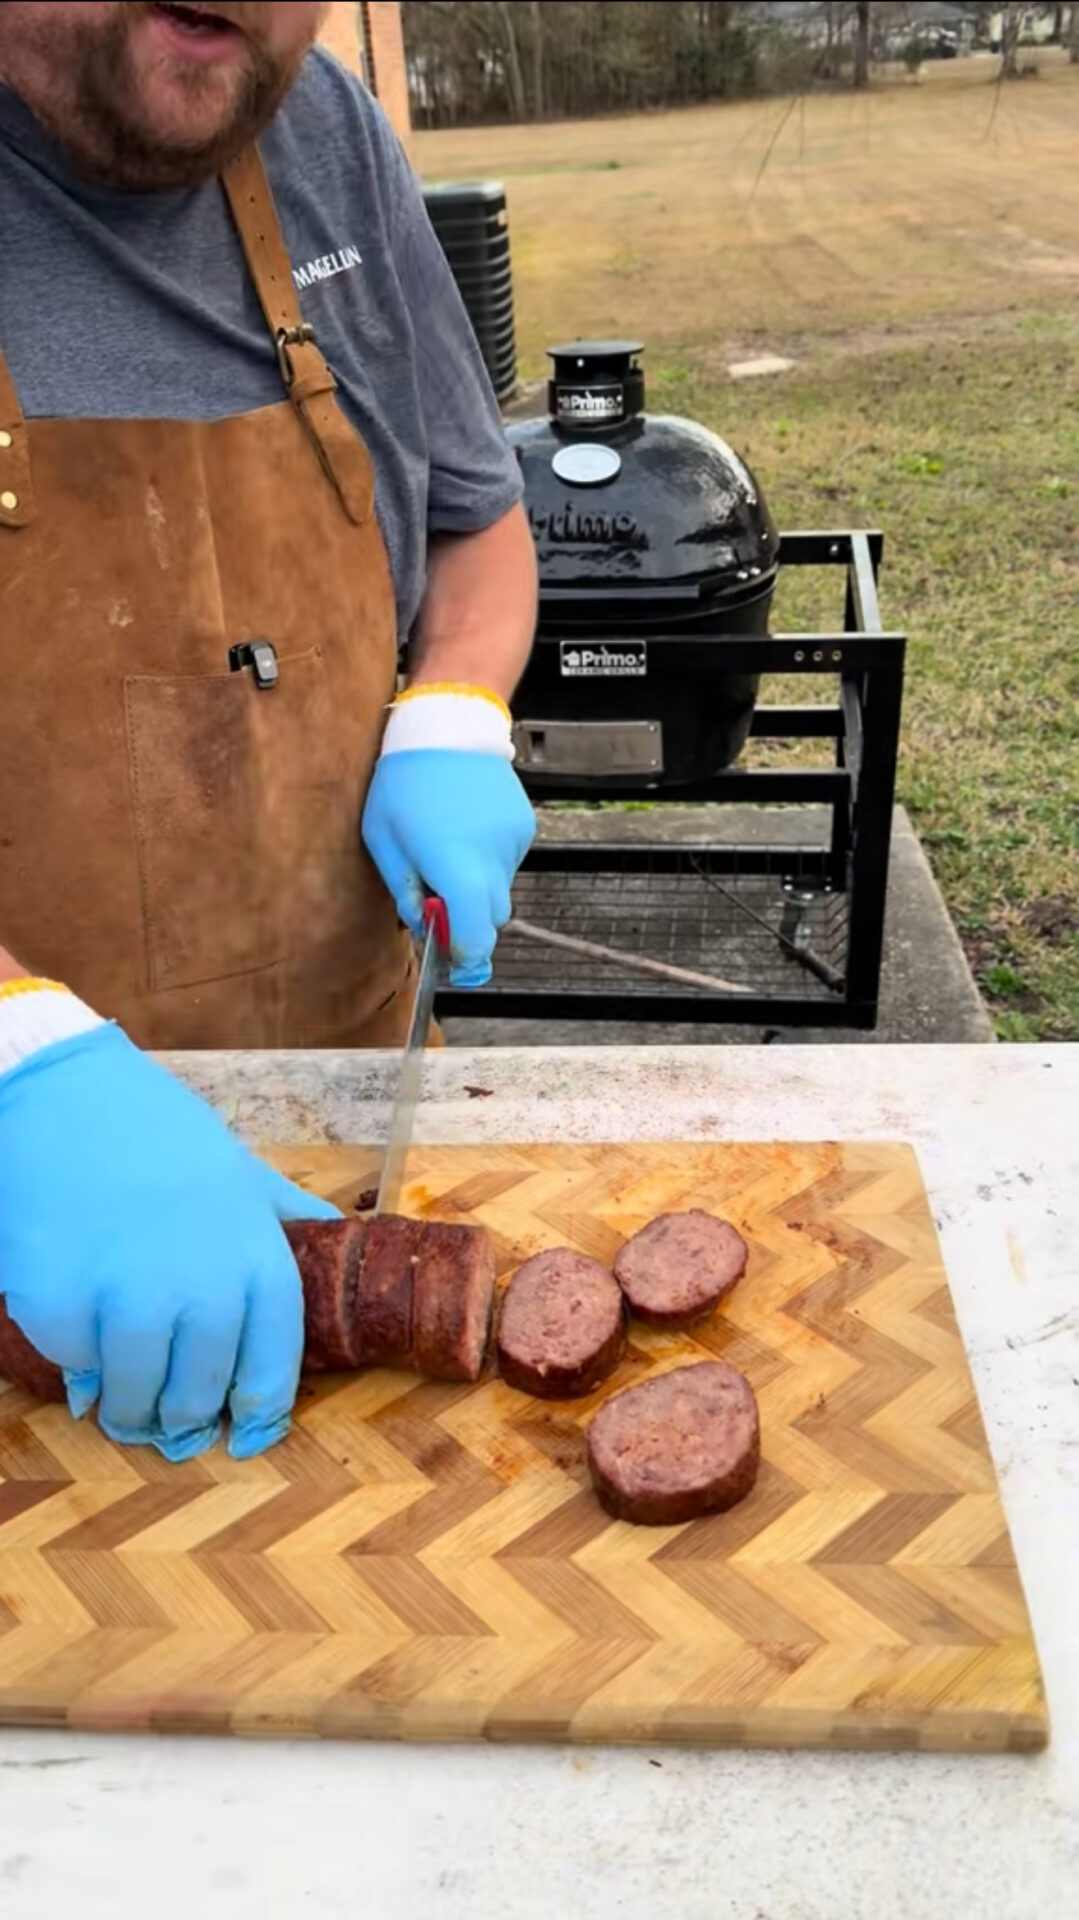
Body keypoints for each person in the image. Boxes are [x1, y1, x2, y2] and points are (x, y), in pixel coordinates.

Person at [0, 2, 537, 1462]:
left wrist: (458, 707)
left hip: (344, 1119)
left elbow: (480, 526)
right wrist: (17, 1068)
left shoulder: (328, 133)